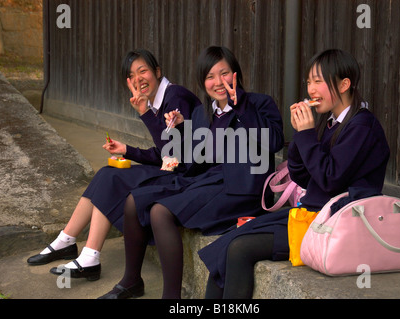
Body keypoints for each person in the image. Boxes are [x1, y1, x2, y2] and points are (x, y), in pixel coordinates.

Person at [199, 49, 390, 299]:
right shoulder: (330, 122)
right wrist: (301, 135)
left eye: (318, 81)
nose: (311, 89)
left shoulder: (362, 126)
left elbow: (330, 178)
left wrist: (307, 134)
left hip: (337, 225)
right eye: (309, 81)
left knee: (239, 249)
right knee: (230, 239)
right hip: (314, 215)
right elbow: (303, 177)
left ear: (344, 84)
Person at [98, 46, 284, 299]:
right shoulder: (202, 113)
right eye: (210, 76)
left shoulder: (259, 103)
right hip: (207, 181)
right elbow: (186, 161)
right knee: (134, 200)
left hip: (241, 190)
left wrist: (240, 107)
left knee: (159, 212)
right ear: (202, 82)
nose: (218, 82)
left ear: (236, 74)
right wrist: (180, 131)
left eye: (224, 73)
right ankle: (131, 280)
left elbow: (273, 142)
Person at [27, 49, 200, 281]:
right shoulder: (158, 100)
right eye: (132, 75)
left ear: (157, 72)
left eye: (143, 71)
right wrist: (126, 150)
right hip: (174, 167)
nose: (139, 79)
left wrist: (145, 114)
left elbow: (173, 155)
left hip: (188, 176)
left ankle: (90, 255)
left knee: (113, 178)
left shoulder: (175, 97)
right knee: (107, 172)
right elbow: (166, 153)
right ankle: (66, 240)